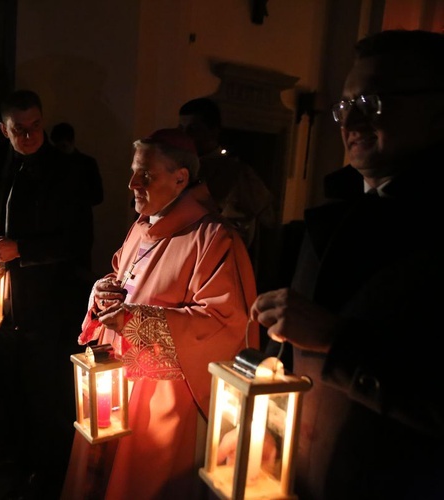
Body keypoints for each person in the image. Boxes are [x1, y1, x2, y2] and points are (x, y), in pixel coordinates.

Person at [250, 29, 444, 499]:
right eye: (345, 105)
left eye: (374, 101)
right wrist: (268, 436)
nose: (351, 120)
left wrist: (337, 341)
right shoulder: (331, 218)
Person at [61, 128, 259, 500]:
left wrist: (135, 321)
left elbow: (224, 324)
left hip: (163, 400)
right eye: (135, 172)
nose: (132, 183)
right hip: (113, 384)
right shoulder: (142, 226)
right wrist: (101, 291)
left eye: (145, 175)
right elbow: (119, 274)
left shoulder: (215, 239)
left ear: (181, 178)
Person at [0, 89, 88, 499]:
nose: (29, 136)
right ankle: (16, 453)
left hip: (48, 298)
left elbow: (76, 240)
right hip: (2, 294)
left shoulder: (66, 172)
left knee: (44, 385)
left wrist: (21, 249)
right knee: (8, 377)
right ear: (4, 130)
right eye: (19, 129)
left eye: (36, 127)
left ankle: (47, 468)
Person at [178, 98, 277, 266]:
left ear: (213, 131)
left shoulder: (239, 173)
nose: (186, 136)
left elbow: (267, 219)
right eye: (182, 130)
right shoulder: (176, 167)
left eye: (193, 129)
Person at [50, 122, 104, 276]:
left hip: (76, 229)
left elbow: (98, 196)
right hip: (70, 229)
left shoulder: (85, 164)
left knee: (76, 273)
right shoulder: (85, 163)